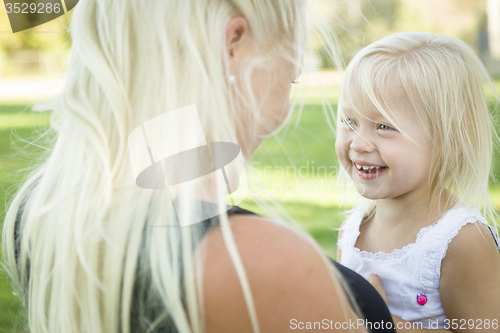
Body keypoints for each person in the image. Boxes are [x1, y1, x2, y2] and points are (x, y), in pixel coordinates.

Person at [2, 1, 395, 332]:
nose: (285, 102)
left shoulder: (39, 213)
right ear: (233, 45)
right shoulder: (258, 266)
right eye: (291, 74)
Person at [335, 32, 500, 331]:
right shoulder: (352, 232)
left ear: (450, 139)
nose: (358, 144)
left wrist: (385, 324)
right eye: (350, 121)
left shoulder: (461, 241)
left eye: (384, 126)